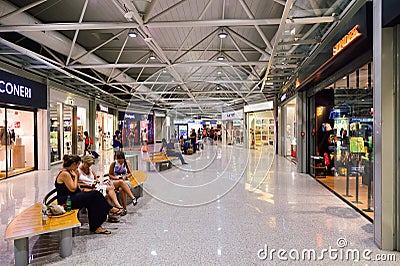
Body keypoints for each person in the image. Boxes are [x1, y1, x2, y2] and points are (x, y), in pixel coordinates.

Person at [55, 154, 120, 234]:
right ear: (73, 164)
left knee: (93, 200)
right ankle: (109, 209)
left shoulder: (69, 172)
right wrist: (75, 177)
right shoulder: (65, 173)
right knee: (95, 194)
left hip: (73, 197)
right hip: (67, 201)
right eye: (77, 165)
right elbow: (73, 188)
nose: (77, 167)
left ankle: (96, 226)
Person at [77, 154, 124, 223]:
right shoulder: (78, 171)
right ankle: (112, 212)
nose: (89, 166)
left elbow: (96, 178)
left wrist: (96, 181)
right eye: (88, 164)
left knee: (109, 190)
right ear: (84, 162)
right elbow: (77, 183)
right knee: (105, 195)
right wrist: (87, 185)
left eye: (90, 164)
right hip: (87, 188)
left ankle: (117, 206)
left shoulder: (90, 169)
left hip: (95, 186)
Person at [108, 151, 138, 215]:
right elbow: (110, 174)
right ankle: (133, 197)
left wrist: (125, 176)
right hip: (115, 181)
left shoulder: (127, 163)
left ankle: (124, 209)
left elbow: (130, 173)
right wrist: (116, 178)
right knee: (121, 182)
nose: (120, 162)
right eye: (119, 161)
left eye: (121, 161)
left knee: (121, 189)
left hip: (125, 181)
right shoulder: (113, 164)